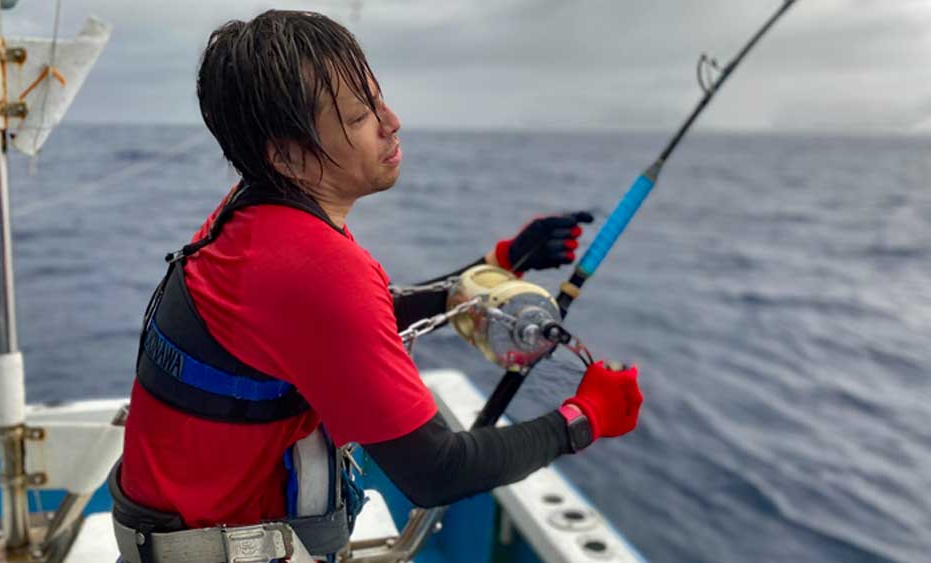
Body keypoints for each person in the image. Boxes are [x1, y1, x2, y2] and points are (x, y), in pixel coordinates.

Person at [110, 9, 644, 563]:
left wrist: (499, 263)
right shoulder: (314, 267)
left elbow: (351, 325)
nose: (392, 121)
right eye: (361, 114)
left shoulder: (253, 218)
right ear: (287, 154)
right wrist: (585, 418)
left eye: (377, 99)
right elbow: (436, 470)